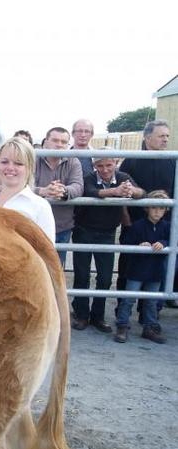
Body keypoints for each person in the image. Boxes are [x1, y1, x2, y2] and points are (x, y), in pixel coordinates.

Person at [70, 152, 144, 333]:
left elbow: (142, 192)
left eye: (109, 165)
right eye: (100, 166)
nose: (104, 170)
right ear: (95, 165)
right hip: (83, 230)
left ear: (116, 163)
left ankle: (98, 316)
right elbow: (90, 191)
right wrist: (116, 192)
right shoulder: (88, 177)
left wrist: (131, 191)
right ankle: (81, 314)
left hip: (107, 233)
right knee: (81, 275)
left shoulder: (123, 178)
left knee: (104, 278)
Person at [117, 120, 174, 305]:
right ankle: (122, 315)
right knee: (128, 266)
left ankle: (149, 318)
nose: (165, 140)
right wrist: (126, 220)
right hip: (135, 224)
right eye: (161, 136)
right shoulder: (132, 160)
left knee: (159, 269)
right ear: (148, 137)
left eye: (167, 136)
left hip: (163, 226)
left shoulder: (173, 161)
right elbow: (121, 192)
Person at [115, 190, 170, 344]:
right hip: (136, 269)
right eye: (153, 207)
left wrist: (164, 244)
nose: (157, 211)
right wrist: (139, 245)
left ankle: (149, 327)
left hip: (155, 270)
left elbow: (172, 241)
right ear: (146, 208)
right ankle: (122, 325)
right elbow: (127, 242)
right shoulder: (138, 226)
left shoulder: (167, 227)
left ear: (166, 210)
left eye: (161, 208)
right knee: (129, 299)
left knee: (152, 300)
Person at [0, 137, 55, 242]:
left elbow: (46, 252)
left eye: (18, 163)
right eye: (4, 162)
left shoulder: (40, 207)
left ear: (29, 167)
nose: (10, 167)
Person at [33, 126, 83, 265]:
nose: (59, 145)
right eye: (55, 140)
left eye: (63, 142)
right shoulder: (33, 159)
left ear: (68, 145)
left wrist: (63, 191)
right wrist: (43, 191)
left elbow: (78, 186)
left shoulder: (73, 161)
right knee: (32, 267)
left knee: (56, 267)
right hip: (34, 224)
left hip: (61, 225)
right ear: (46, 141)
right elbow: (23, 185)